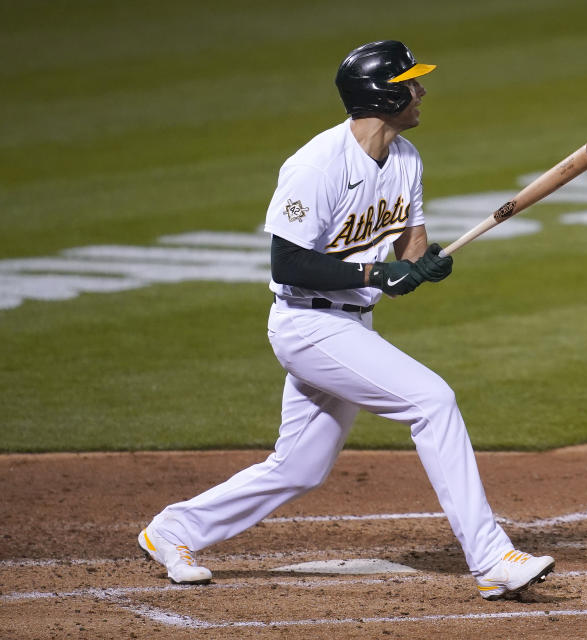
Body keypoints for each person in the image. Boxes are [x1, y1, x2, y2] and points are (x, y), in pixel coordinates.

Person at [137, 40, 555, 601]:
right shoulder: (316, 165)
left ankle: (175, 529)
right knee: (432, 401)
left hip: (351, 326)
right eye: (412, 81)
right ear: (382, 94)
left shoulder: (405, 158)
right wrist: (377, 274)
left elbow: (410, 243)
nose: (422, 90)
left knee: (299, 467)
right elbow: (288, 261)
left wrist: (420, 267)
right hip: (306, 326)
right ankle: (491, 558)